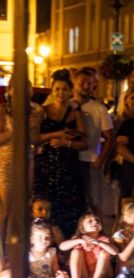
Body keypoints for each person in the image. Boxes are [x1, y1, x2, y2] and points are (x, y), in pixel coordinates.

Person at [33, 71, 87, 240]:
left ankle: (66, 243)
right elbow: (36, 138)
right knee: (46, 203)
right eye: (57, 89)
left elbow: (84, 142)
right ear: (52, 91)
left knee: (68, 205)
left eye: (64, 89)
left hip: (67, 163)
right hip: (46, 163)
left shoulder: (76, 113)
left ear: (70, 91)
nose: (60, 93)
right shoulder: (43, 111)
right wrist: (57, 135)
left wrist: (67, 143)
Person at [0, 82, 42, 247]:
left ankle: (14, 251)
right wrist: (17, 128)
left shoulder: (36, 110)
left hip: (26, 160)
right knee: (3, 210)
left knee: (20, 209)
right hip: (5, 162)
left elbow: (34, 138)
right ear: (9, 91)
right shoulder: (2, 110)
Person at [74, 68, 115, 220]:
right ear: (75, 83)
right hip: (72, 159)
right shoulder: (69, 105)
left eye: (89, 83)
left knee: (93, 202)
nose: (85, 86)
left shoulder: (99, 108)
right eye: (82, 82)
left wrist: (100, 160)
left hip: (91, 160)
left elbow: (109, 136)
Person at [0, 222, 69, 278]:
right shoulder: (27, 253)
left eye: (47, 237)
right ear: (32, 240)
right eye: (40, 238)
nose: (44, 240)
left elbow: (55, 268)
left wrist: (59, 272)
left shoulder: (51, 252)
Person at [60, 211, 117, 278]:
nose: (95, 222)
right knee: (75, 252)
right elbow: (62, 246)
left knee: (104, 253)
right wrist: (79, 241)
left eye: (97, 220)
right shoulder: (79, 239)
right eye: (90, 221)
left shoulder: (103, 239)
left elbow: (115, 252)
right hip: (84, 276)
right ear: (82, 229)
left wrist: (98, 243)